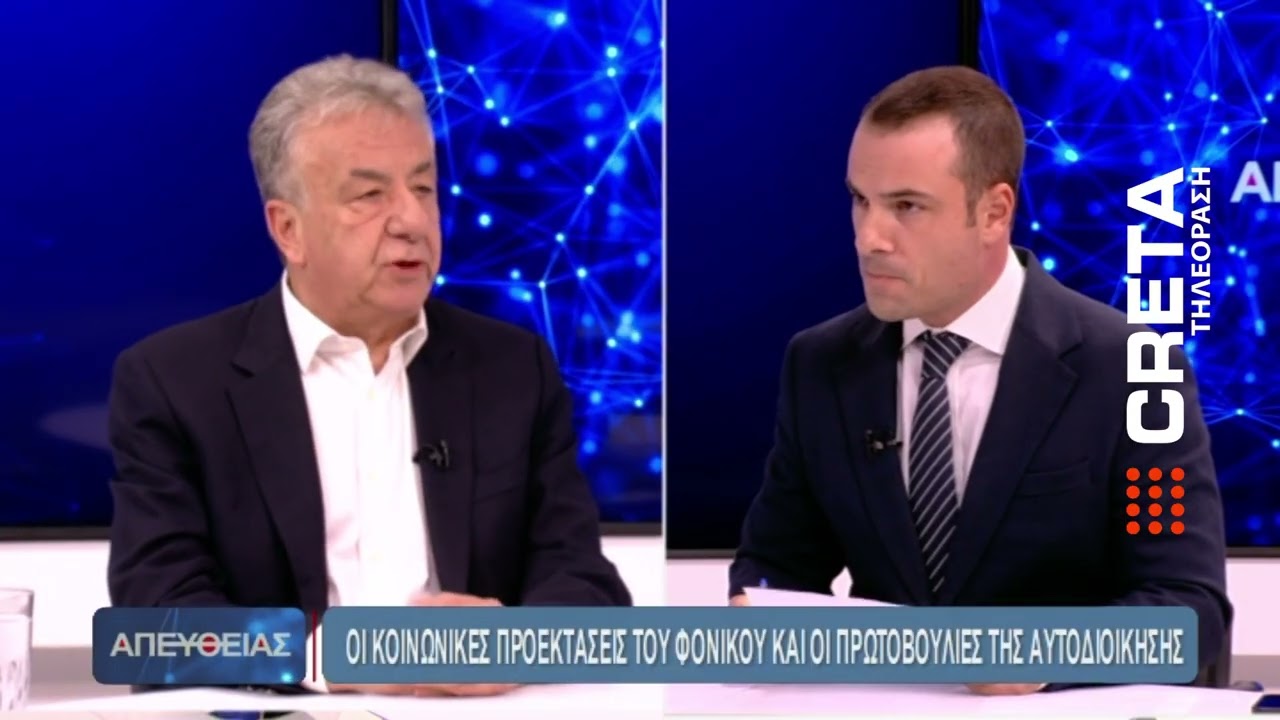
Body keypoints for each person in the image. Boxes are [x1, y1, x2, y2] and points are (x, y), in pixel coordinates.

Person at [106, 55, 631, 697]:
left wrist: (514, 644)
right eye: (369, 195)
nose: (411, 220)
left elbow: (588, 590)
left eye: (423, 188)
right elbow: (157, 626)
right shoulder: (173, 382)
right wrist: (350, 655)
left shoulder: (513, 368)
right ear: (288, 229)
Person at [729, 66, 1231, 695]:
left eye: (906, 206)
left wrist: (1043, 655)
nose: (868, 238)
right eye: (860, 200)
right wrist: (759, 610)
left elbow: (1188, 610)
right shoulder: (821, 364)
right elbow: (776, 565)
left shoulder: (1134, 368)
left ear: (994, 212)